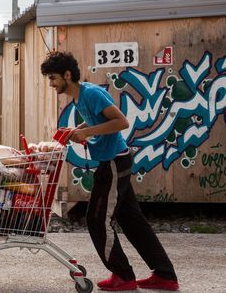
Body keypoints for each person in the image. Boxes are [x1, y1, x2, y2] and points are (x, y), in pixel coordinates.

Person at [40, 51, 179, 291]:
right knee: (132, 221)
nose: (51, 84)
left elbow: (121, 122)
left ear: (67, 75)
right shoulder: (79, 97)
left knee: (97, 219)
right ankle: (165, 275)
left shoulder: (91, 93)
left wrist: (87, 133)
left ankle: (123, 276)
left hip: (114, 162)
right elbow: (97, 121)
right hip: (112, 161)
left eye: (53, 78)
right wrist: (78, 130)